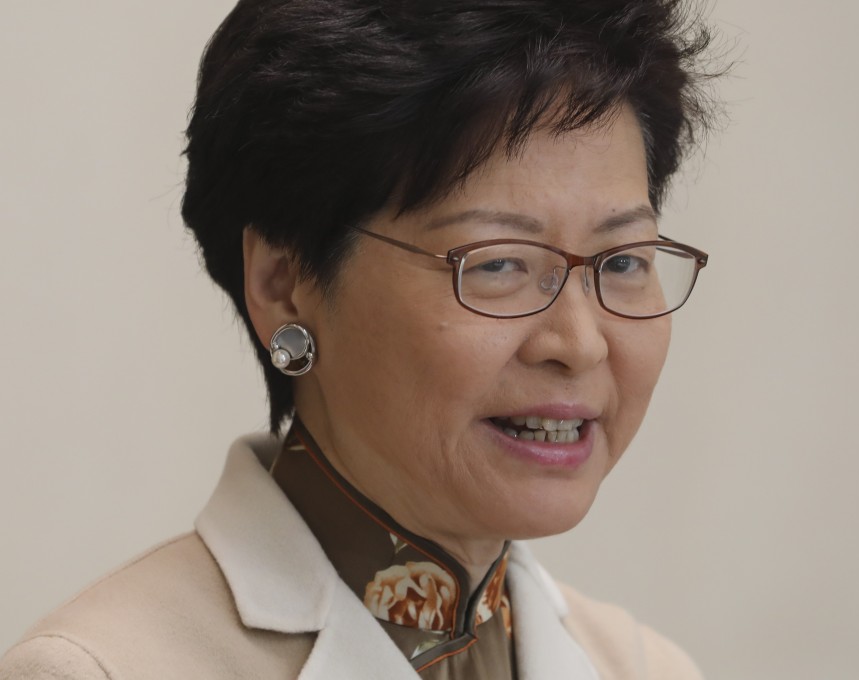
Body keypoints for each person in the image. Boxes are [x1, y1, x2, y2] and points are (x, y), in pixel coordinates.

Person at [0, 0, 716, 677]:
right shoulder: (103, 669)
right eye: (498, 263)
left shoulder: (645, 667)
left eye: (623, 262)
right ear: (284, 283)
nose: (580, 343)